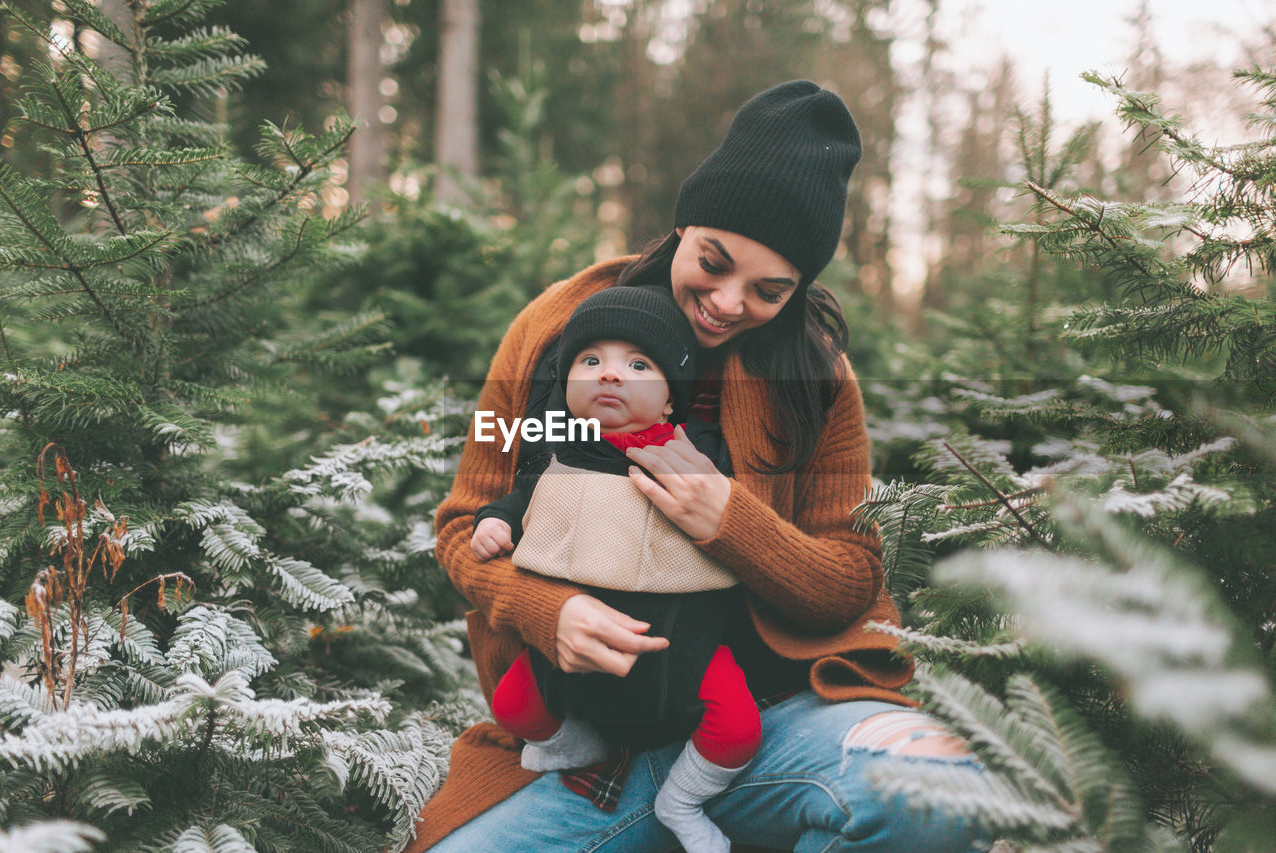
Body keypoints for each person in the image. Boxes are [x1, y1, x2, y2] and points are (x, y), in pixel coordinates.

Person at [413, 80, 987, 852]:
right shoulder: (555, 329)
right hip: (588, 740)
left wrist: (731, 522)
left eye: (768, 289)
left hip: (770, 725)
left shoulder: (817, 381)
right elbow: (462, 526)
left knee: (937, 795)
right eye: (712, 261)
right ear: (683, 223)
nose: (725, 301)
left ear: (800, 288)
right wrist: (545, 612)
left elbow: (853, 580)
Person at [473, 285, 760, 852]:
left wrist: (714, 485)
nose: (610, 374)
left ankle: (681, 800)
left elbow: (741, 504)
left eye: (637, 364)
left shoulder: (691, 445)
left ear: (672, 400)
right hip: (573, 642)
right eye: (590, 360)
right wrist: (496, 521)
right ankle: (576, 745)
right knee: (513, 705)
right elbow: (524, 496)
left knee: (737, 728)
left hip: (680, 640)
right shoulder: (557, 446)